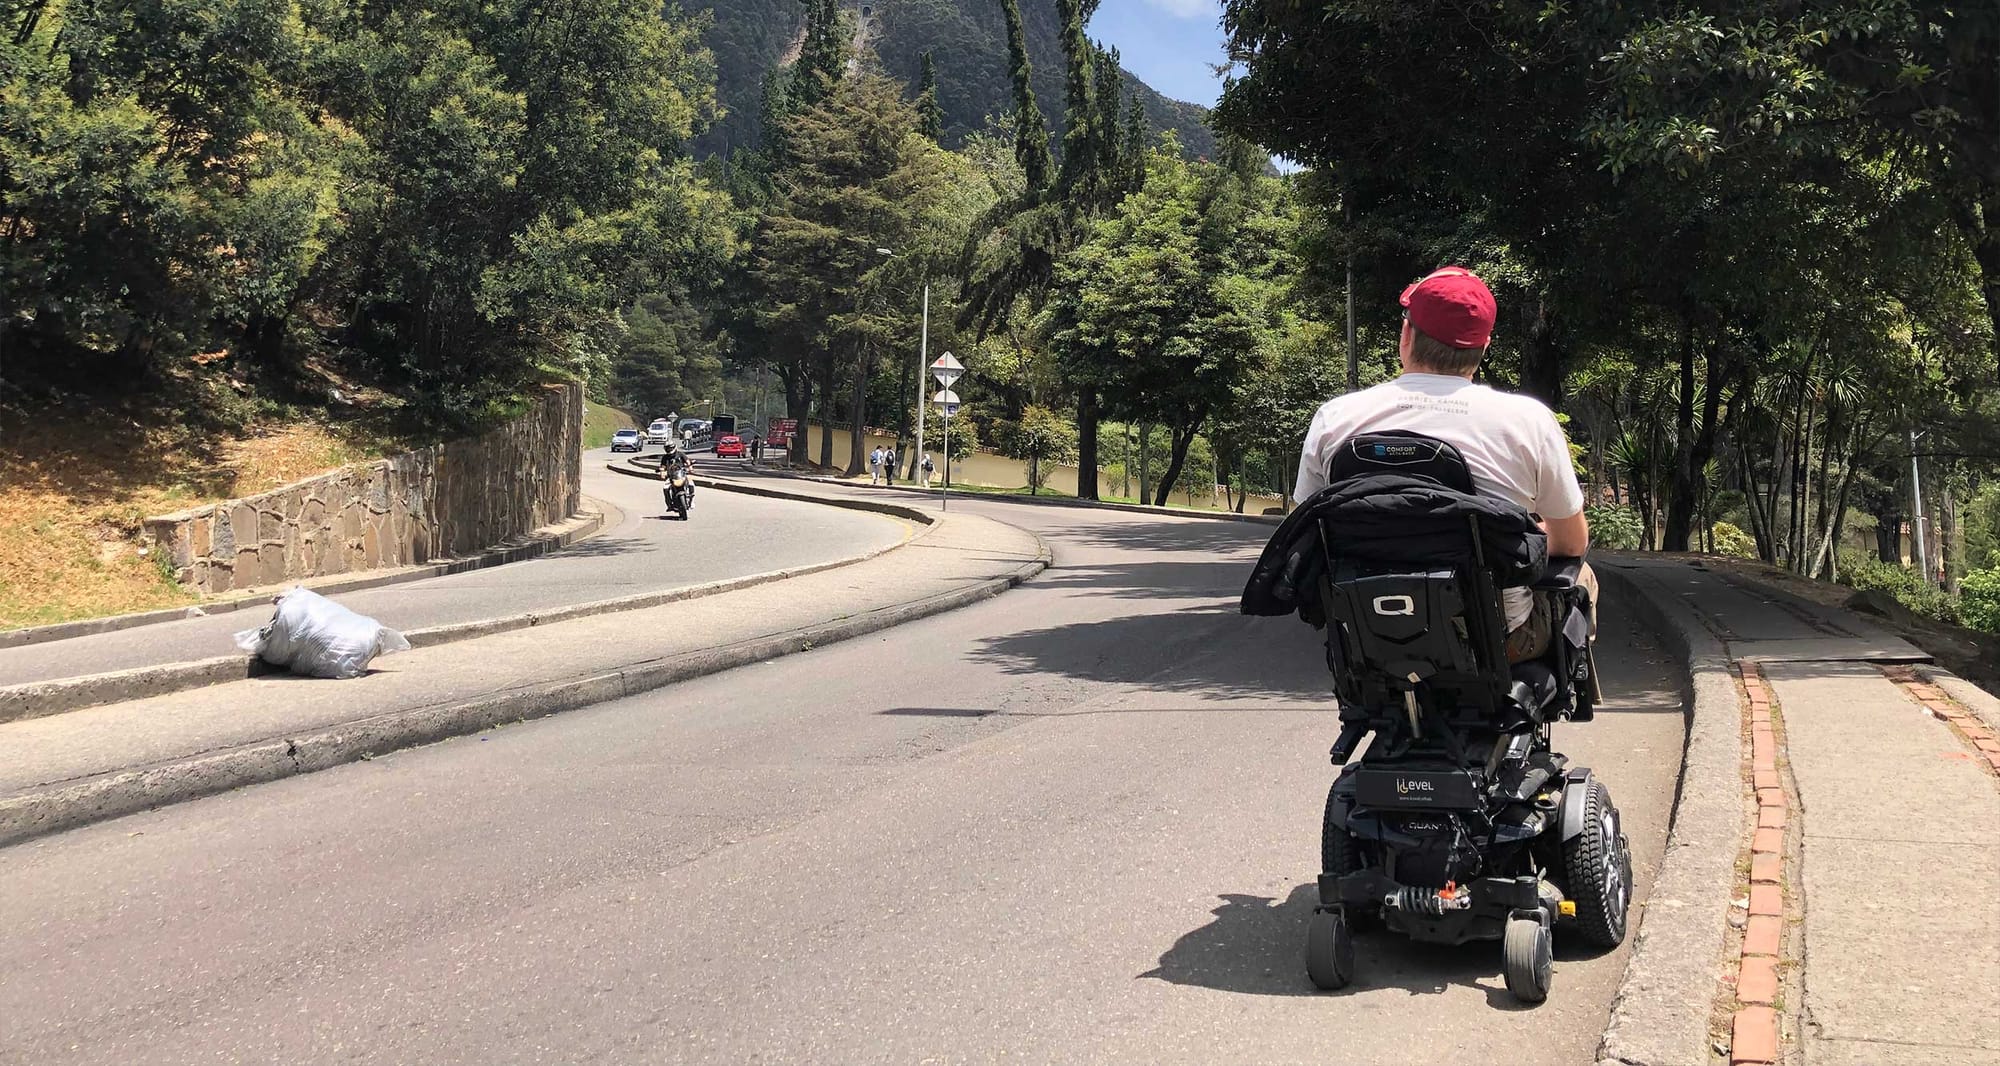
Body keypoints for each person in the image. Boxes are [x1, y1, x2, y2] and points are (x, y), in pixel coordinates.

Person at [1292, 265, 1594, 663]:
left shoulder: (1336, 418)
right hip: (1493, 643)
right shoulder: (1528, 420)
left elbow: (1306, 527)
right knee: (1584, 577)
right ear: (1483, 346)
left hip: (1369, 638)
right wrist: (1519, 535)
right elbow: (1571, 543)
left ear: (1406, 335)